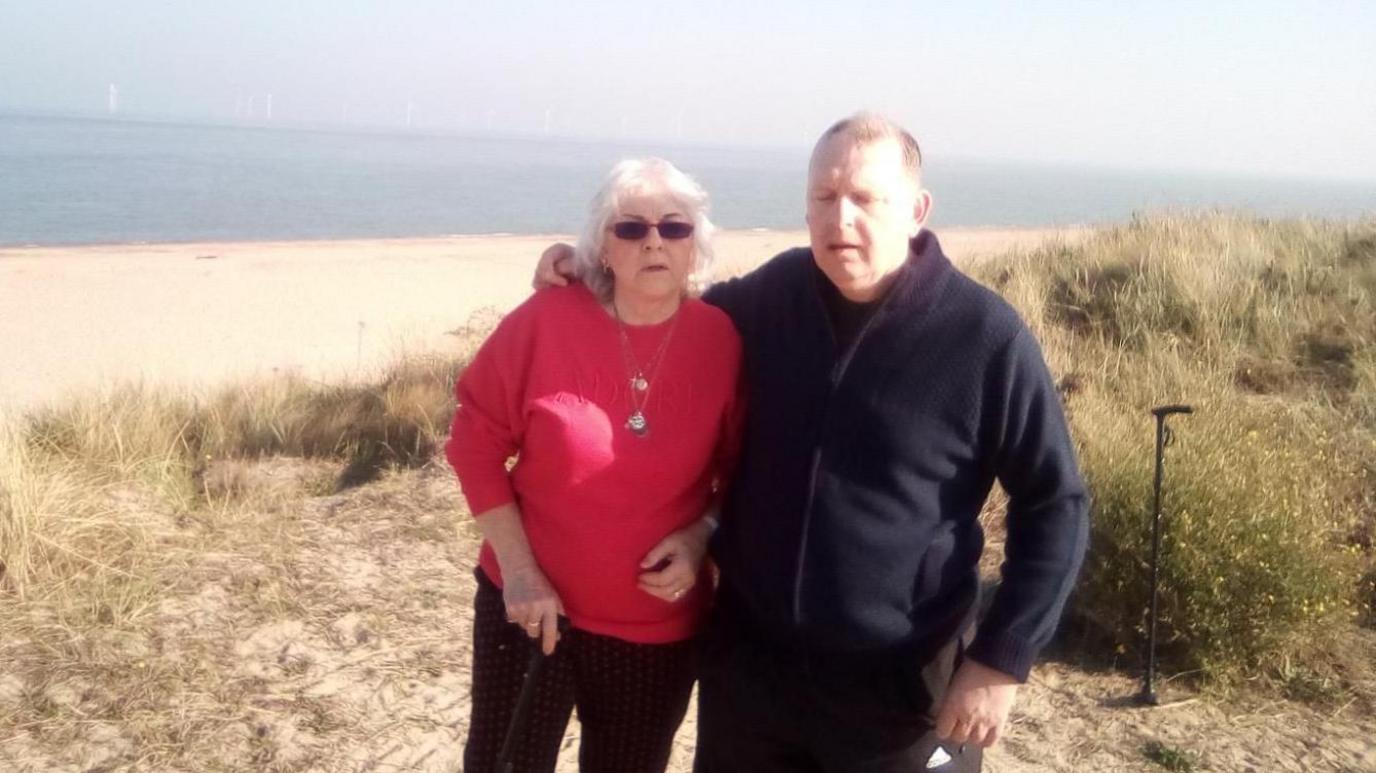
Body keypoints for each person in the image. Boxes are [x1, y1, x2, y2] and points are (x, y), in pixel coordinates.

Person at [533, 113, 1089, 772]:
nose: (840, 218)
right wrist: (589, 272)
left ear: (916, 209)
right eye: (823, 197)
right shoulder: (771, 298)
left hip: (899, 695)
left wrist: (1002, 658)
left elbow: (1056, 502)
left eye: (864, 198)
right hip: (750, 680)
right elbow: (667, 314)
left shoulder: (982, 337)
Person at [447, 157, 743, 773]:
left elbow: (742, 471)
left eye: (675, 227)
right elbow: (474, 441)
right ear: (601, 249)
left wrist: (700, 536)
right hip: (529, 609)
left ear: (696, 246)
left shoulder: (725, 340)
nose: (654, 240)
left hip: (653, 630)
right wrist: (522, 573)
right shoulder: (546, 319)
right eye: (630, 228)